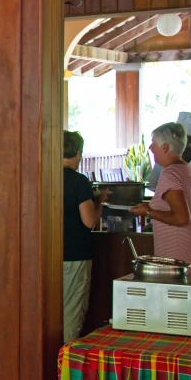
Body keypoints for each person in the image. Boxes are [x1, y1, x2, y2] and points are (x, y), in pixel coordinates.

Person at [130, 123, 191, 266]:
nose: (150, 148)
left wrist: (148, 212)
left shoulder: (170, 173)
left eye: (153, 143)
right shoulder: (189, 170)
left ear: (165, 147)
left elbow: (181, 218)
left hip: (178, 253)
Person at [62, 131, 108, 343]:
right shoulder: (79, 181)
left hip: (47, 254)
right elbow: (89, 221)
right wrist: (100, 202)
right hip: (75, 255)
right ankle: (66, 367)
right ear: (78, 153)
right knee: (71, 313)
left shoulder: (44, 177)